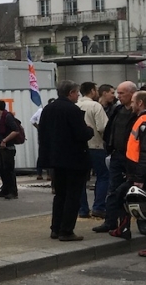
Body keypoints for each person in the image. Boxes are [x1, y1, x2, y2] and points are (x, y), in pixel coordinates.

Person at [106, 90, 146, 257]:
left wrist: (139, 179)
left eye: (134, 102)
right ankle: (125, 227)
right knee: (126, 196)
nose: (132, 105)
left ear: (140, 103)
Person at [38, 80, 92, 241]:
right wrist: (89, 130)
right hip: (74, 159)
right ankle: (66, 230)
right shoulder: (73, 110)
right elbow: (81, 133)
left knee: (59, 194)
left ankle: (55, 228)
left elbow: (43, 133)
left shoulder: (48, 109)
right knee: (73, 195)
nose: (78, 96)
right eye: (77, 93)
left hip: (55, 159)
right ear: (71, 93)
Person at [96, 82, 138, 234]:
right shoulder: (117, 109)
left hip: (133, 157)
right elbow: (109, 129)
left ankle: (142, 223)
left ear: (132, 94)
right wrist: (110, 147)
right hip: (117, 154)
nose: (118, 97)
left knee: (136, 191)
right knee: (113, 189)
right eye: (117, 93)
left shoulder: (138, 113)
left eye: (122, 94)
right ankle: (111, 221)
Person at [76, 82, 108, 218]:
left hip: (79, 147)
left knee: (80, 179)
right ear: (92, 91)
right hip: (96, 146)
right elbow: (102, 127)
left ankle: (82, 209)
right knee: (103, 176)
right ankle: (98, 207)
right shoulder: (95, 106)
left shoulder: (75, 106)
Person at [0, 100, 22, 199]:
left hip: (9, 148)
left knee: (9, 170)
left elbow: (16, 131)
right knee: (3, 170)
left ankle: (13, 192)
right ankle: (5, 190)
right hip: (1, 148)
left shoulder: (7, 116)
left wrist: (5, 140)